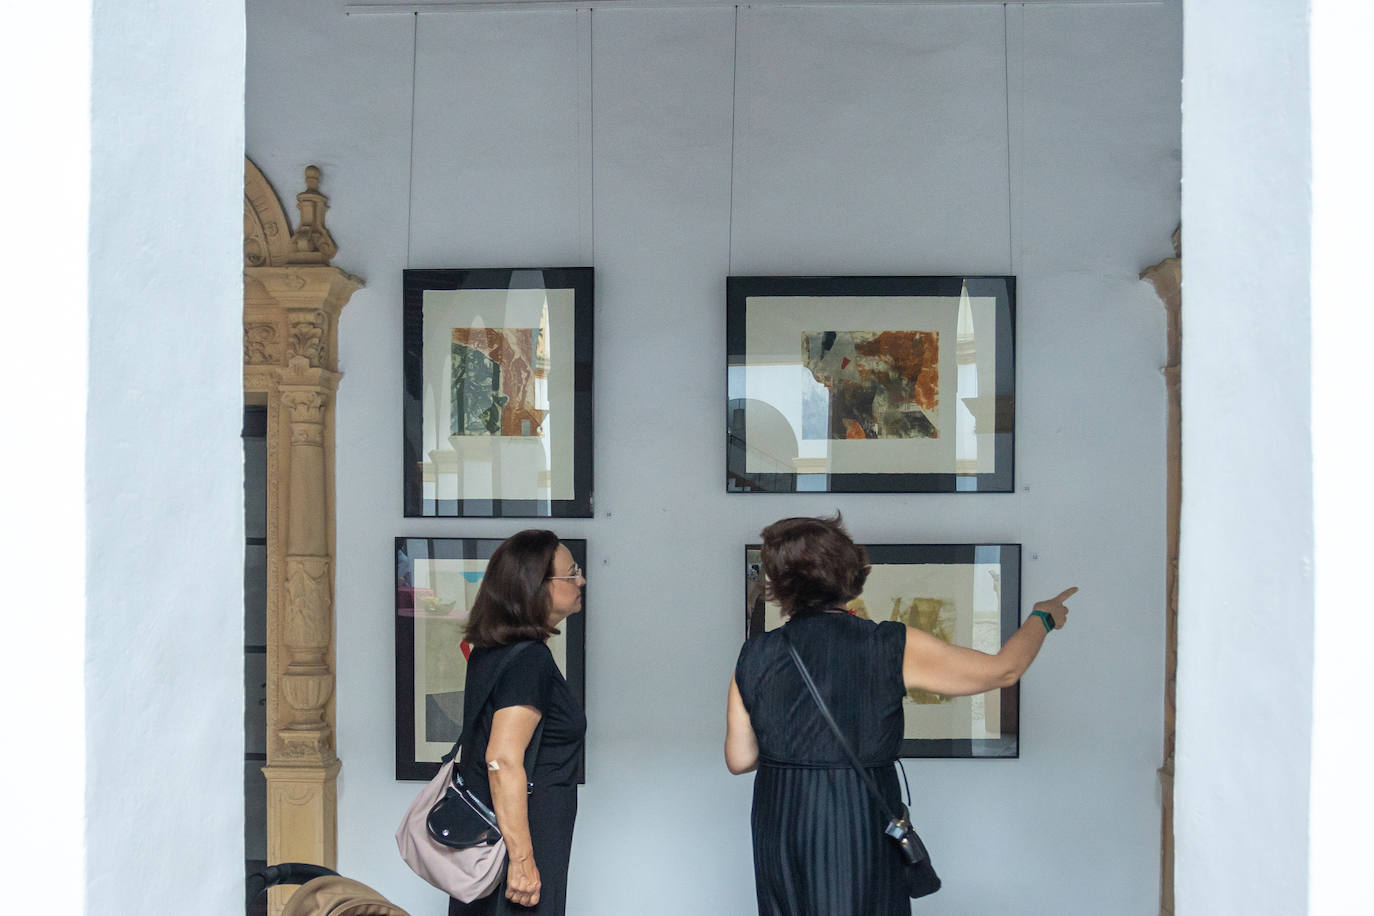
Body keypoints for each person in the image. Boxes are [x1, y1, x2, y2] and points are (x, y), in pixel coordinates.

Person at [725, 515, 1076, 916]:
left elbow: (740, 759)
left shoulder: (755, 653)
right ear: (851, 572)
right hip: (854, 811)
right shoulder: (887, 644)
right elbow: (1004, 670)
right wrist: (1043, 617)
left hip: (780, 814)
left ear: (780, 582)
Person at [449, 530, 587, 915]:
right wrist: (523, 861)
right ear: (536, 587)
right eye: (571, 573)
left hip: (493, 835)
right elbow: (503, 760)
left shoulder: (492, 651)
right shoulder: (529, 661)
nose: (582, 580)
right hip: (522, 840)